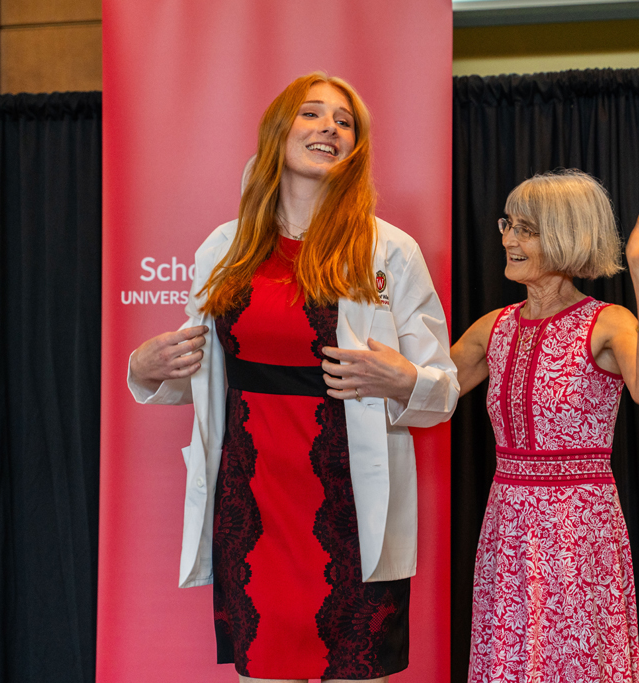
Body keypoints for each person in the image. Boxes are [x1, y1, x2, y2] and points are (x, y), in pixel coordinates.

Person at [127, 72, 458, 683]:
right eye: (312, 114)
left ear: (355, 148)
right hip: (253, 503)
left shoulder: (390, 251)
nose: (329, 127)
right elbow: (194, 371)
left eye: (344, 121)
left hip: (352, 504)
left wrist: (403, 378)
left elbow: (442, 390)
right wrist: (142, 369)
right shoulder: (225, 249)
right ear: (279, 132)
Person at [452, 171, 639, 683]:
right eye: (508, 224)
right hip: (507, 529)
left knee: (575, 663)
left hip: (579, 533)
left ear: (567, 235)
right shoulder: (494, 326)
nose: (508, 238)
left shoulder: (608, 322)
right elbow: (429, 394)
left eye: (526, 229)